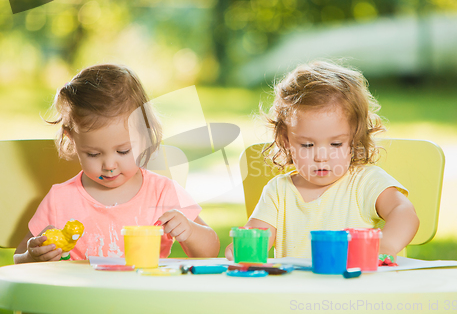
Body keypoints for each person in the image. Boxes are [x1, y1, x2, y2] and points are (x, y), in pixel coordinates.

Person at [14, 64, 220, 263]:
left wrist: (190, 231)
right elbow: (20, 257)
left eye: (123, 151)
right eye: (93, 154)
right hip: (80, 297)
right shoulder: (60, 199)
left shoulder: (162, 192)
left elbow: (210, 251)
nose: (109, 165)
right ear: (72, 139)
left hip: (143, 295)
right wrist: (32, 256)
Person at [225, 60, 419, 261]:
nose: (321, 157)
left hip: (354, 288)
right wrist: (241, 248)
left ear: (354, 138)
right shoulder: (278, 192)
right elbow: (257, 237)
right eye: (307, 145)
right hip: (296, 291)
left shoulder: (365, 182)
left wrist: (385, 245)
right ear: (286, 140)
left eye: (336, 144)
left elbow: (404, 211)